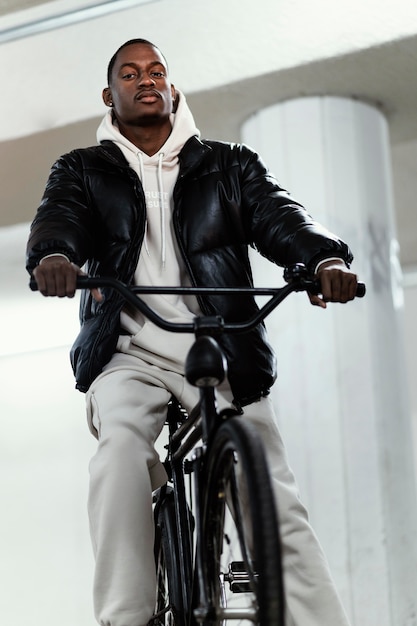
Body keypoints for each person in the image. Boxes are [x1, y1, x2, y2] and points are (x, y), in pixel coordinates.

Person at [27, 38, 359, 626]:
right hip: (129, 350)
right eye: (130, 74)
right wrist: (54, 255)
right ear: (111, 96)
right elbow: (61, 220)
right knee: (121, 452)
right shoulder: (81, 169)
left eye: (157, 71)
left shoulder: (230, 165)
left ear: (174, 89)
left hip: (221, 345)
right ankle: (126, 615)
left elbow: (281, 217)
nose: (146, 79)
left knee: (271, 491)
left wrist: (324, 262)